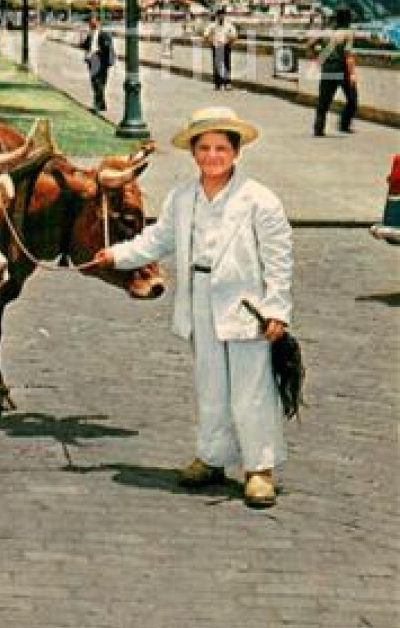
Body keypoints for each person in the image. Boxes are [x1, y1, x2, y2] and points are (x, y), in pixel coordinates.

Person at [92, 105, 292, 509]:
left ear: (236, 153)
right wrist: (115, 256)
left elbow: (279, 258)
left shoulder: (260, 200)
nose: (212, 156)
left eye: (221, 148)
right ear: (193, 153)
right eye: (204, 148)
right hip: (199, 298)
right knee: (210, 384)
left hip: (245, 304)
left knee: (251, 389)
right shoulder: (183, 198)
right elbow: (158, 240)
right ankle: (212, 457)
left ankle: (259, 468)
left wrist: (277, 310)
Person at [309, 7, 358, 137]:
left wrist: (318, 57)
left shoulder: (326, 31)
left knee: (323, 102)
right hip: (343, 70)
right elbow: (348, 56)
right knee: (352, 99)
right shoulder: (348, 33)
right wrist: (352, 74)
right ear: (347, 19)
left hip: (328, 69)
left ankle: (318, 129)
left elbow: (310, 44)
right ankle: (344, 125)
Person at [81, 15, 116, 113]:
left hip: (100, 60)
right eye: (90, 22)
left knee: (99, 83)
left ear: (98, 22)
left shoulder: (104, 34)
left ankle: (98, 104)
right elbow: (84, 45)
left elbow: (107, 47)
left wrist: (98, 52)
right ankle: (101, 104)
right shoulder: (90, 34)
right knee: (95, 83)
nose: (91, 24)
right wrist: (82, 39)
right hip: (92, 60)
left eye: (93, 22)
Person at [204, 10, 238, 91]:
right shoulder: (212, 25)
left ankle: (227, 83)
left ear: (224, 16)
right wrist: (211, 42)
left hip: (226, 46)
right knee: (217, 66)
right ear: (217, 16)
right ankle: (217, 84)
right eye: (219, 15)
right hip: (216, 46)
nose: (221, 17)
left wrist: (230, 43)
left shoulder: (229, 25)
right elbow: (206, 35)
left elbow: (234, 35)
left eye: (222, 15)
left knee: (227, 65)